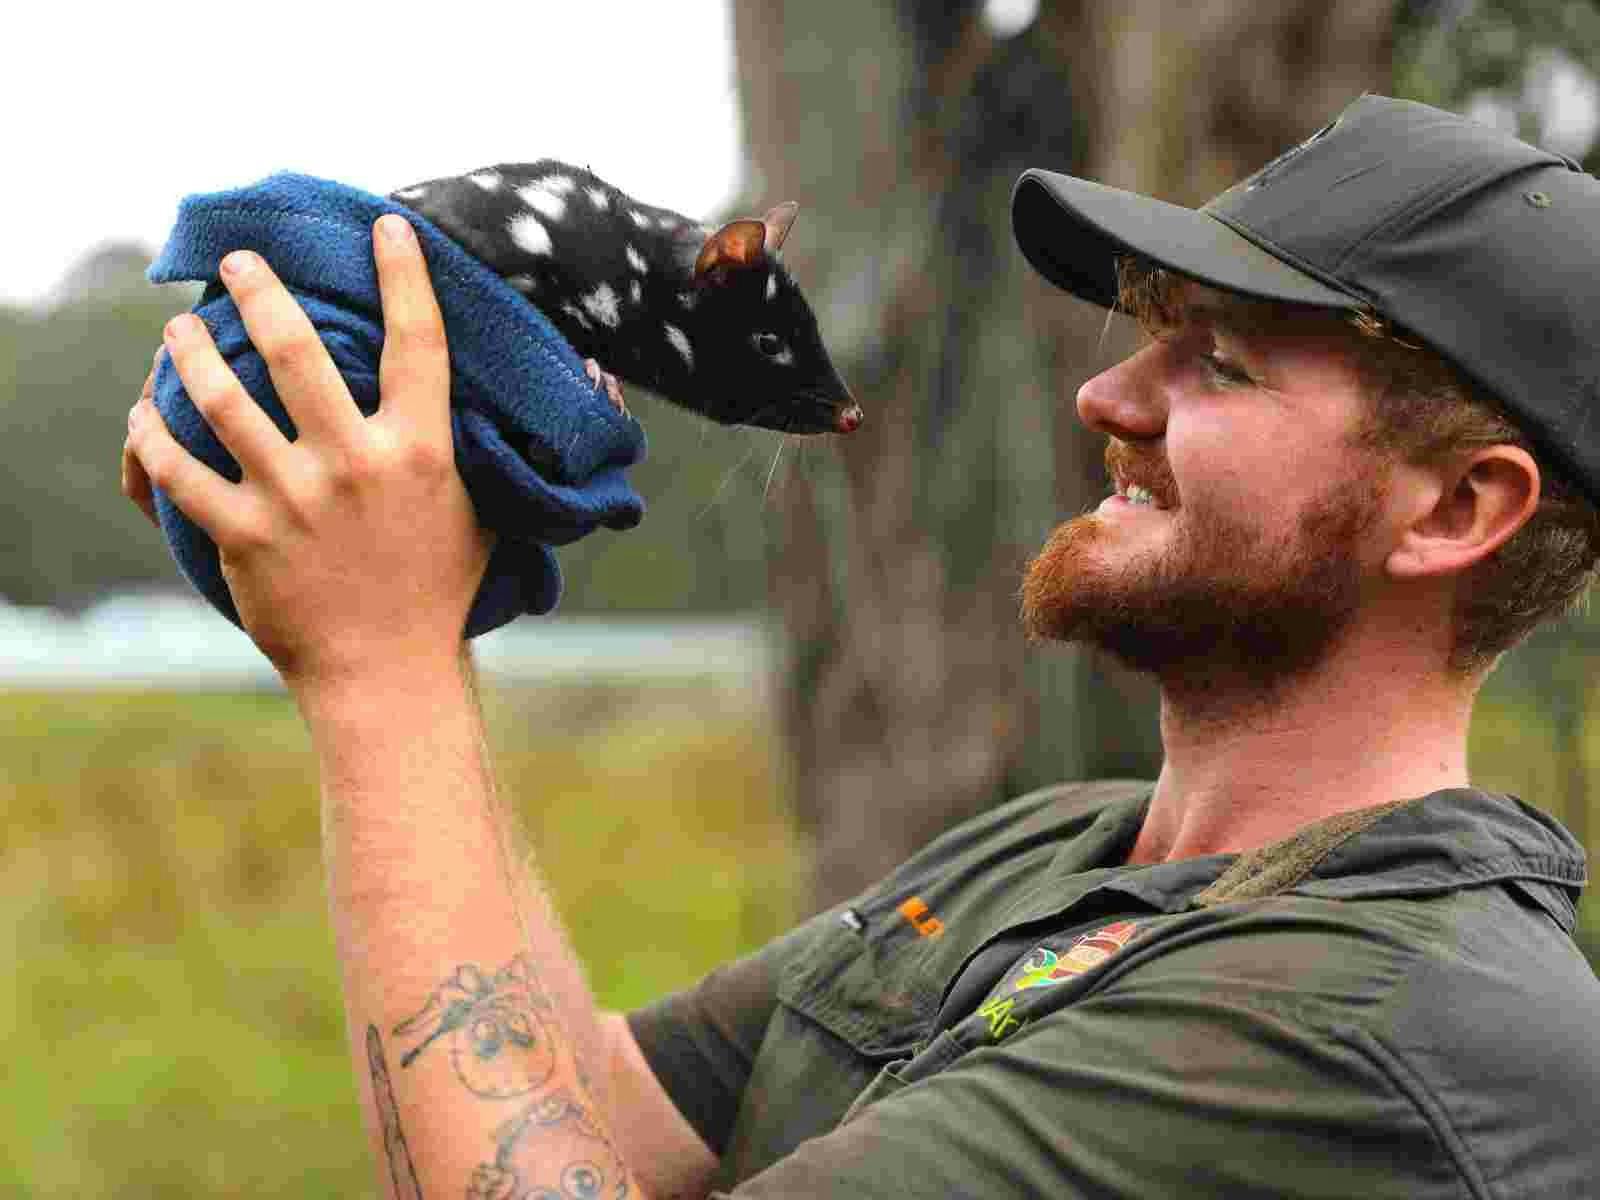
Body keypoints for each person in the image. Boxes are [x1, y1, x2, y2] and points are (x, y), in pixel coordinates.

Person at [122, 94, 1597, 1198]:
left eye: (1220, 362)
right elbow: (603, 1128)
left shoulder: (1387, 1029)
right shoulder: (1056, 856)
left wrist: (379, 675)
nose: (1106, 398)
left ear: (1459, 508)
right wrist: (412, 621)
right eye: (1148, 332)